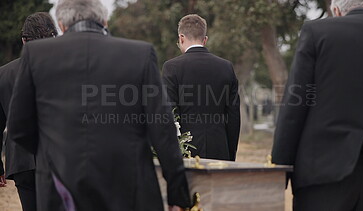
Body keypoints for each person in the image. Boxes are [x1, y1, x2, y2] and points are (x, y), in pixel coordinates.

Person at [7, 0, 191, 210]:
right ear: (104, 21)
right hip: (129, 189)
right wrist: (178, 195)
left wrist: (54, 151)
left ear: (62, 24)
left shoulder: (35, 55)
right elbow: (163, 128)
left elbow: (19, 127)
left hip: (60, 188)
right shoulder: (139, 54)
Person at [271, 0, 363, 210]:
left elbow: (295, 106)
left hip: (322, 178)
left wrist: (279, 173)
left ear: (337, 11)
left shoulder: (316, 32)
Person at [162, 14, 241, 161]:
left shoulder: (171, 67)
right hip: (219, 148)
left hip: (186, 150)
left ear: (181, 38)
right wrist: (230, 154)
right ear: (205, 40)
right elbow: (233, 116)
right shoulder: (226, 67)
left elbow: (169, 113)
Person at [0, 12, 57, 211]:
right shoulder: (66, 69)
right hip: (59, 159)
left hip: (21, 160)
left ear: (24, 40)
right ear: (53, 36)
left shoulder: (3, 74)